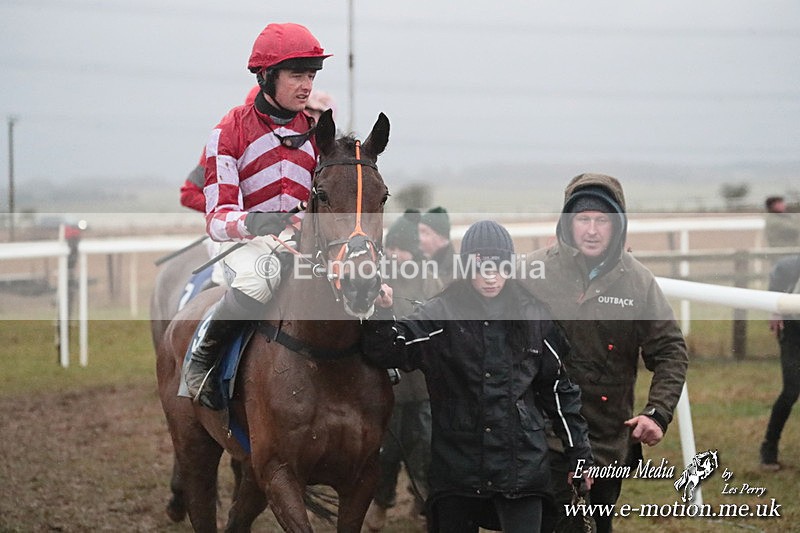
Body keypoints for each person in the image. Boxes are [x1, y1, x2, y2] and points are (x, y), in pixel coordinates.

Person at [363, 220, 593, 533]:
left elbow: (558, 391)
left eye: (499, 267)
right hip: (457, 469)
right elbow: (389, 349)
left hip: (521, 468)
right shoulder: (441, 313)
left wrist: (580, 455)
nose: (490, 276)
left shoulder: (534, 317)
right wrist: (382, 311)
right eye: (481, 267)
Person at [518, 173, 688, 533]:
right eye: (583, 219)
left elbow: (671, 349)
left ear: (618, 225)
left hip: (608, 438)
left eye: (602, 220)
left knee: (598, 523)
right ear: (567, 222)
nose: (592, 230)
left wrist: (658, 413)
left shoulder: (638, 281)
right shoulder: (531, 272)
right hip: (544, 436)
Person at [184, 22, 331, 410]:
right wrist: (253, 222)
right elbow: (217, 218)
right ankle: (202, 359)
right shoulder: (228, 132)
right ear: (266, 76)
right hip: (245, 242)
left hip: (301, 241)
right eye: (296, 75)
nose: (306, 86)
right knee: (258, 283)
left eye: (311, 76)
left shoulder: (317, 134)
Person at [363, 209, 440, 532]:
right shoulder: (376, 279)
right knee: (387, 451)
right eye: (391, 247)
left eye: (402, 249)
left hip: (422, 386)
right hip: (387, 385)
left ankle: (424, 505)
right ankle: (381, 503)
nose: (395, 254)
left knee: (424, 448)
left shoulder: (429, 279)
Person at [180, 87, 334, 213]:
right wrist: (239, 216)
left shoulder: (313, 144)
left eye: (319, 113)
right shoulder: (223, 145)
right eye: (309, 111)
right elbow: (188, 194)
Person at [759, 254, 800, 471]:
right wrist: (774, 310)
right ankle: (769, 447)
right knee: (791, 390)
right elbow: (776, 284)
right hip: (793, 331)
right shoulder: (788, 267)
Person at [418, 206, 455, 285]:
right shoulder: (417, 266)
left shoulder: (459, 273)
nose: (419, 238)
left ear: (442, 238)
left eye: (424, 232)